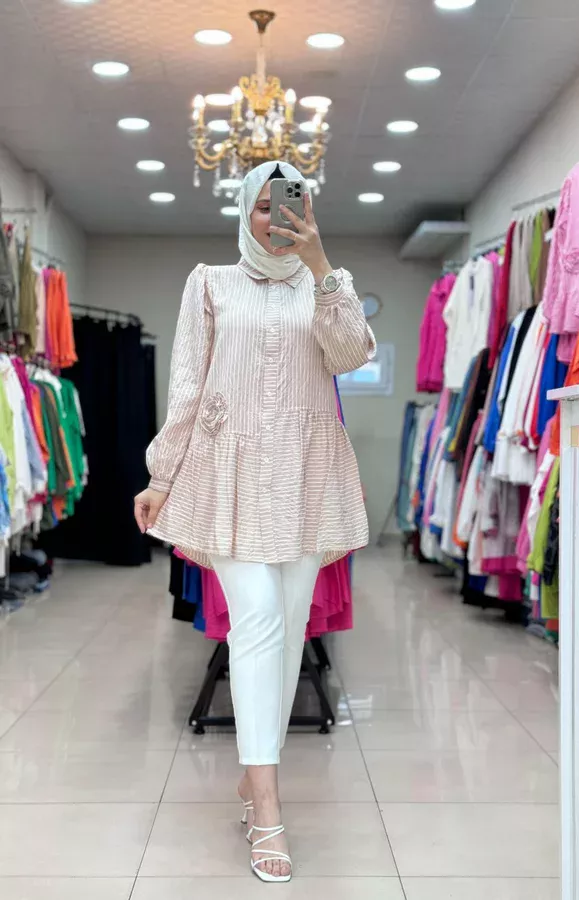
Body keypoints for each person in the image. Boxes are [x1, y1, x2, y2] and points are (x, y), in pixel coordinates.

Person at [134, 160, 375, 883]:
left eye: (290, 204)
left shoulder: (329, 285)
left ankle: (253, 776)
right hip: (229, 474)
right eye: (264, 206)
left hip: (305, 475)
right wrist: (161, 475)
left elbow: (351, 354)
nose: (276, 217)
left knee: (290, 627)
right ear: (245, 210)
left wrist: (321, 265)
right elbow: (186, 385)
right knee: (260, 620)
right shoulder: (210, 282)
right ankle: (266, 804)